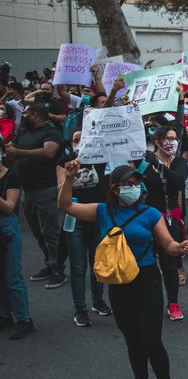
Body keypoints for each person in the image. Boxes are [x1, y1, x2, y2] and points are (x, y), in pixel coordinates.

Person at [57, 161, 188, 379]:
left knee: (151, 338)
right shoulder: (102, 211)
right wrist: (69, 177)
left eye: (137, 183)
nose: (135, 187)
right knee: (132, 338)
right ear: (116, 189)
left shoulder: (151, 213)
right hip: (119, 284)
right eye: (129, 184)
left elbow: (168, 244)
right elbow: (65, 205)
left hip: (147, 281)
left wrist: (180, 247)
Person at [59, 130, 112, 327]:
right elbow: (61, 195)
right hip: (74, 217)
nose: (79, 144)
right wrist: (70, 176)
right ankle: (80, 309)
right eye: (75, 141)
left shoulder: (101, 159)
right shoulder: (64, 161)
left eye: (83, 140)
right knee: (78, 265)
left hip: (97, 216)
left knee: (98, 262)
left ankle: (98, 302)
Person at [10, 102, 66, 287]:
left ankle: (58, 268)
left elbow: (48, 152)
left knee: (50, 231)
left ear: (34, 114)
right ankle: (48, 263)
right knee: (37, 230)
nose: (23, 115)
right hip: (28, 189)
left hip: (46, 189)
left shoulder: (51, 132)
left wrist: (18, 151)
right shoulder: (24, 132)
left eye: (25, 112)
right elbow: (12, 148)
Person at [139, 126, 188, 321]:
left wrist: (159, 166)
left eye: (175, 138)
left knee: (169, 264)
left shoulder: (178, 162)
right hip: (148, 220)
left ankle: (173, 303)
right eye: (168, 138)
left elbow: (178, 182)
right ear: (157, 141)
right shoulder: (144, 163)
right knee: (147, 263)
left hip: (170, 220)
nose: (172, 142)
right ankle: (149, 301)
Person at [0, 137, 34, 340]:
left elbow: (10, 207)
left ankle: (24, 319)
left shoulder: (10, 177)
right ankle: (5, 314)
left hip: (7, 228)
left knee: (12, 276)